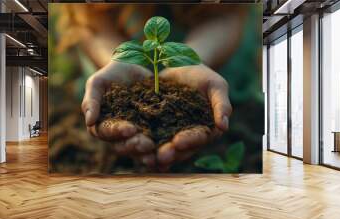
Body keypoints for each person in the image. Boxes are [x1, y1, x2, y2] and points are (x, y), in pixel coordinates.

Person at [77, 5, 245, 171]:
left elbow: (226, 13)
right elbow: (88, 20)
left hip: (210, 46)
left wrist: (194, 61)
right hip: (111, 46)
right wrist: (116, 61)